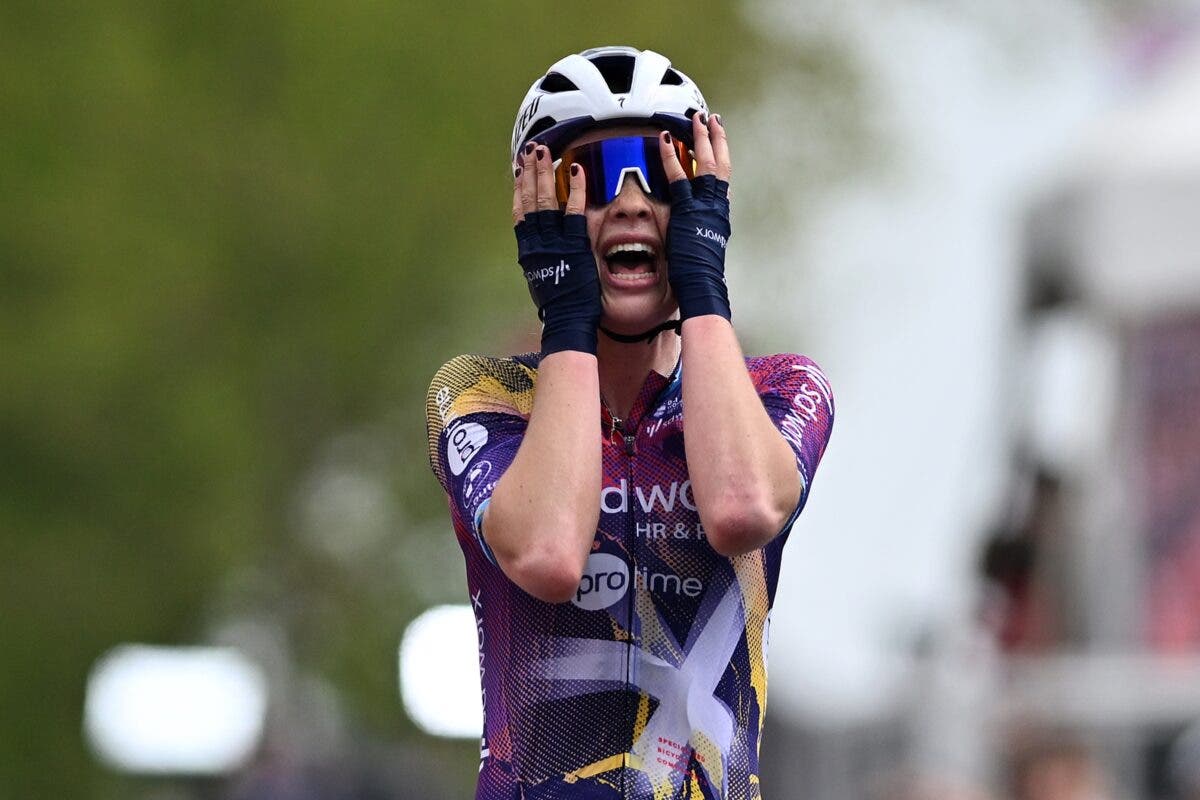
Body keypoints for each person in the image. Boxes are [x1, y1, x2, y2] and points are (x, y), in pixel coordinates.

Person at [425, 45, 834, 799]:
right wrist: (568, 320)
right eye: (597, 174)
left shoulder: (782, 386)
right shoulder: (479, 396)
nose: (633, 198)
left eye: (666, 166)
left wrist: (705, 283)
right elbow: (549, 554)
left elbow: (741, 509)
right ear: (538, 208)